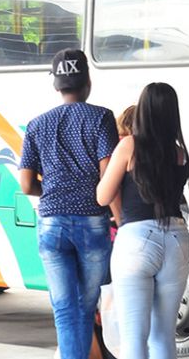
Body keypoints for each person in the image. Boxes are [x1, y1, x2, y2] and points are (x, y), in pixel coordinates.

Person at [18, 48, 119, 359]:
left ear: (56, 85)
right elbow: (107, 177)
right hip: (91, 221)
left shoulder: (37, 125)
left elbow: (25, 184)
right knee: (85, 308)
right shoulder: (101, 117)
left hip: (51, 223)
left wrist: (50, 190)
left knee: (63, 309)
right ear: (87, 80)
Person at [96, 82, 189, 359]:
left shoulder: (128, 146)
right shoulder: (178, 152)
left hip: (136, 241)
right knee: (163, 336)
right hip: (176, 239)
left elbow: (103, 196)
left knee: (134, 338)